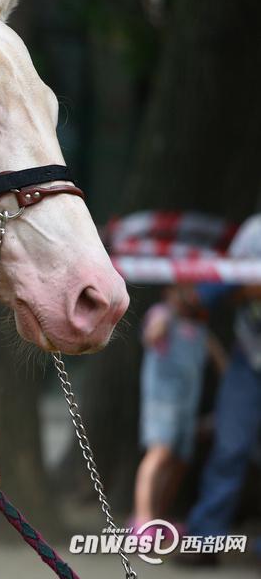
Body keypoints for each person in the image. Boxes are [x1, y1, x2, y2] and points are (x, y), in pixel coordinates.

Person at [178, 213, 261, 566]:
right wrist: (201, 297)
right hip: (248, 358)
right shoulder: (255, 231)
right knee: (229, 446)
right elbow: (226, 283)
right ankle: (204, 539)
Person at [130, 284, 226, 531]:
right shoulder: (162, 314)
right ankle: (142, 520)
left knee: (179, 461)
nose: (188, 295)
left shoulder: (199, 328)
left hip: (187, 406)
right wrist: (171, 310)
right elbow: (152, 334)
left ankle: (158, 518)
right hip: (162, 402)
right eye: (182, 289)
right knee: (158, 455)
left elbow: (221, 362)